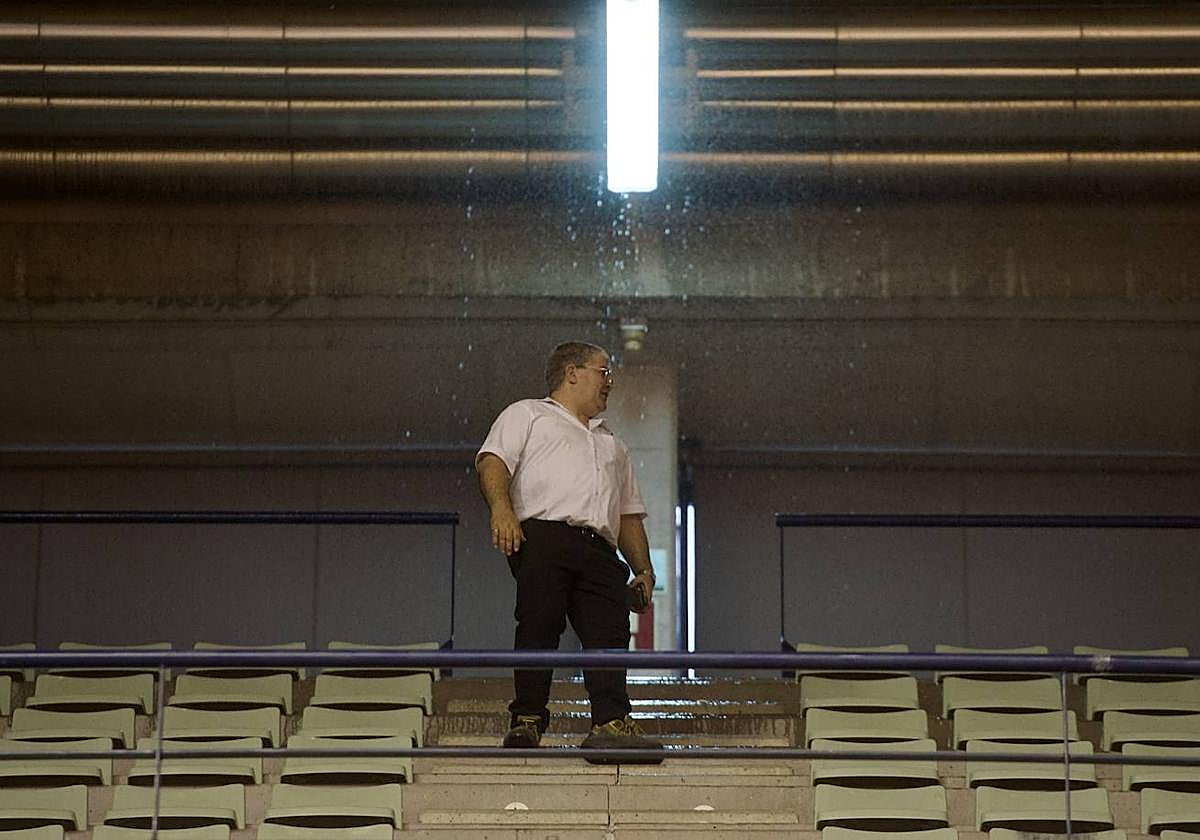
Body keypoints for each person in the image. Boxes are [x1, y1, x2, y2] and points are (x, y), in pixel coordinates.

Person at [476, 340, 663, 762]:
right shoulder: (527, 414)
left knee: (610, 634)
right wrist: (502, 510)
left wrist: (645, 570)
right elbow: (492, 461)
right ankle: (527, 719)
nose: (609, 383)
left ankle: (611, 722)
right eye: (603, 371)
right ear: (572, 373)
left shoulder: (613, 444)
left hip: (600, 546)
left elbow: (629, 515)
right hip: (543, 536)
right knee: (539, 623)